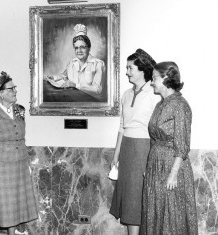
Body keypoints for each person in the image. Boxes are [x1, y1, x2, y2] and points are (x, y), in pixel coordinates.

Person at [140, 62, 198, 235]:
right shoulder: (160, 104)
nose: (151, 82)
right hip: (156, 165)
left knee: (172, 213)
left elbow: (182, 144)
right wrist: (148, 166)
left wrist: (173, 174)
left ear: (166, 78)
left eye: (154, 78)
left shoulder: (180, 105)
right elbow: (154, 138)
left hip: (172, 166)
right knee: (155, 211)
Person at [0, 72, 38, 235]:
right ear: (0, 93)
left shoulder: (20, 110)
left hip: (19, 165)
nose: (15, 91)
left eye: (15, 88)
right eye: (11, 88)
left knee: (13, 205)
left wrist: (27, 163)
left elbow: (21, 139)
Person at [109, 49, 160, 235]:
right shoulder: (126, 94)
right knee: (130, 196)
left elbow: (157, 130)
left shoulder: (154, 94)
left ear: (142, 70)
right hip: (127, 149)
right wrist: (116, 155)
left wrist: (152, 159)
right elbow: (122, 126)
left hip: (144, 148)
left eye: (130, 68)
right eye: (126, 68)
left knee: (139, 196)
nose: (127, 71)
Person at [45, 23, 106, 101]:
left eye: (82, 47)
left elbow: (97, 90)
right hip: (72, 99)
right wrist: (54, 77)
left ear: (89, 48)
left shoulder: (98, 64)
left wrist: (75, 85)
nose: (79, 51)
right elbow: (64, 75)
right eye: (76, 48)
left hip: (91, 102)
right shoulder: (72, 62)